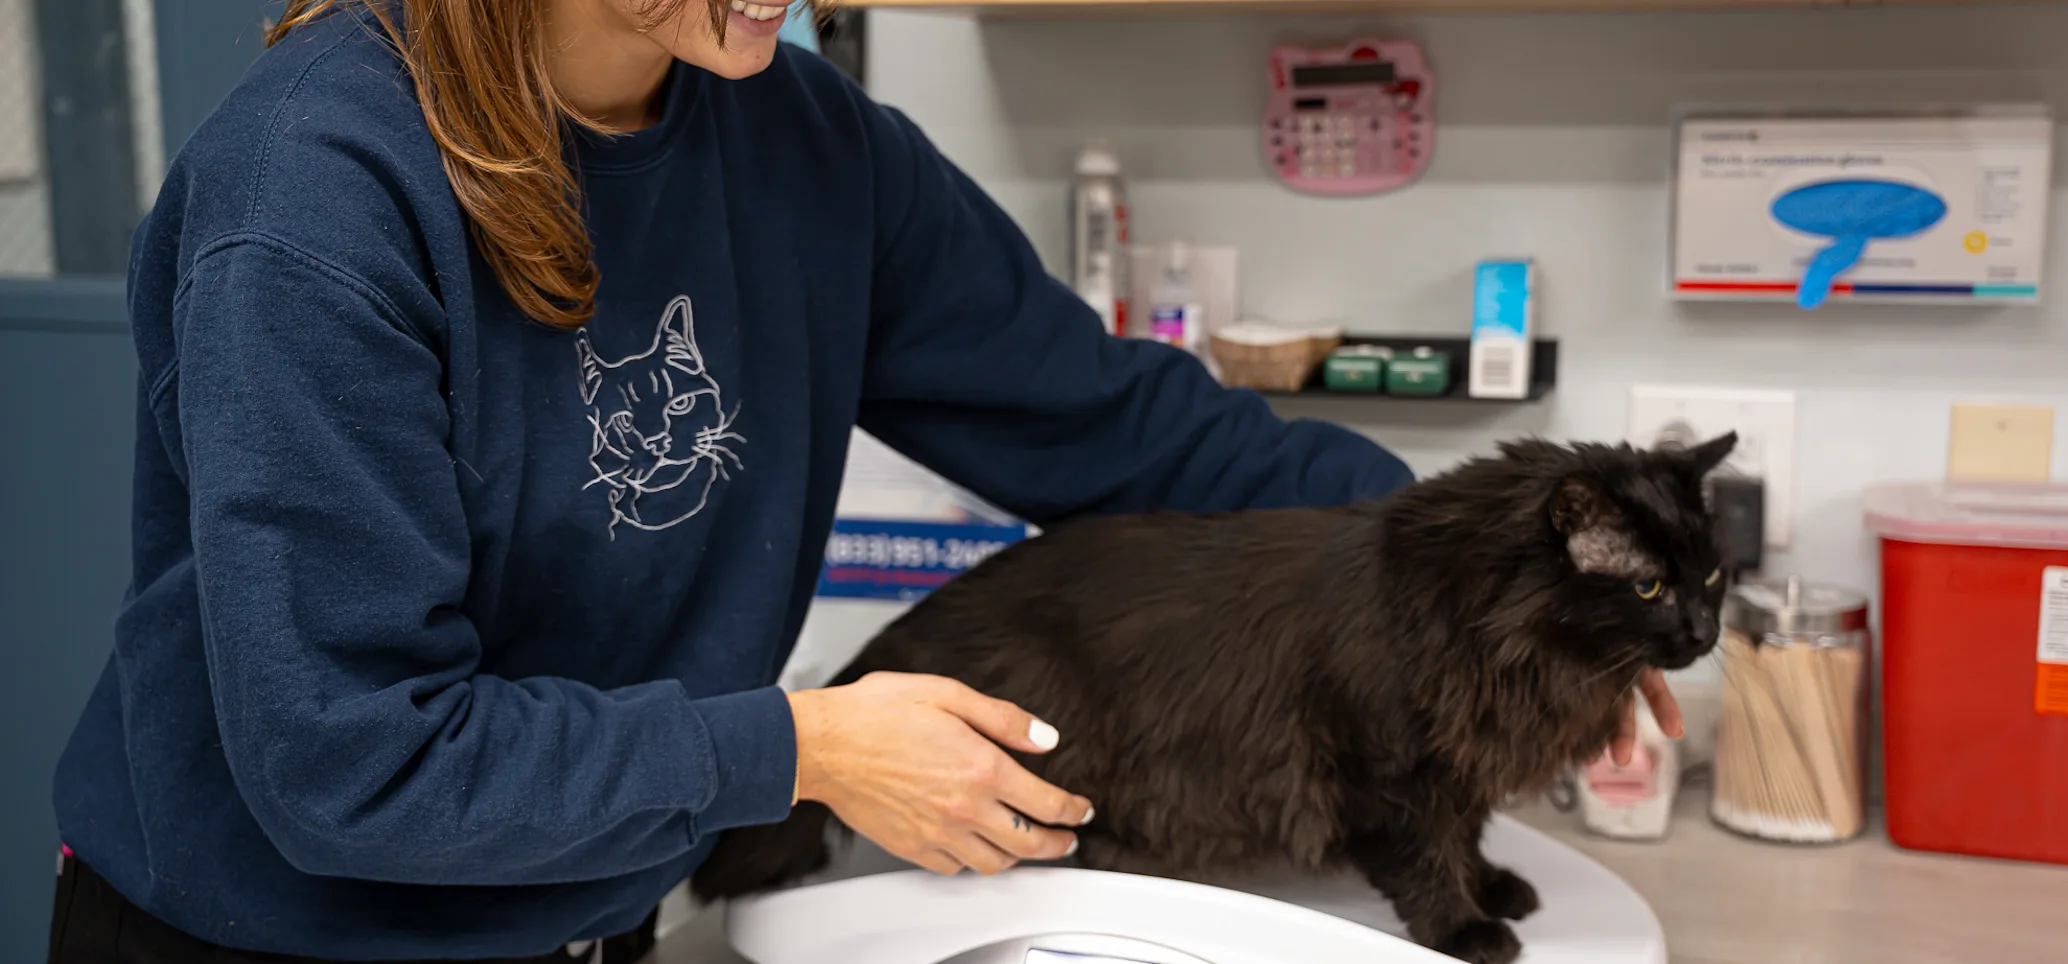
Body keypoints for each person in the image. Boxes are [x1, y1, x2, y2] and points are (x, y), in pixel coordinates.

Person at [46, 2, 1680, 961]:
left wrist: (1475, 602)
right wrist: (807, 745)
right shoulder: (317, 198)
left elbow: (1122, 425)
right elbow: (352, 761)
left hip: (586, 923)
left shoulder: (803, 140)